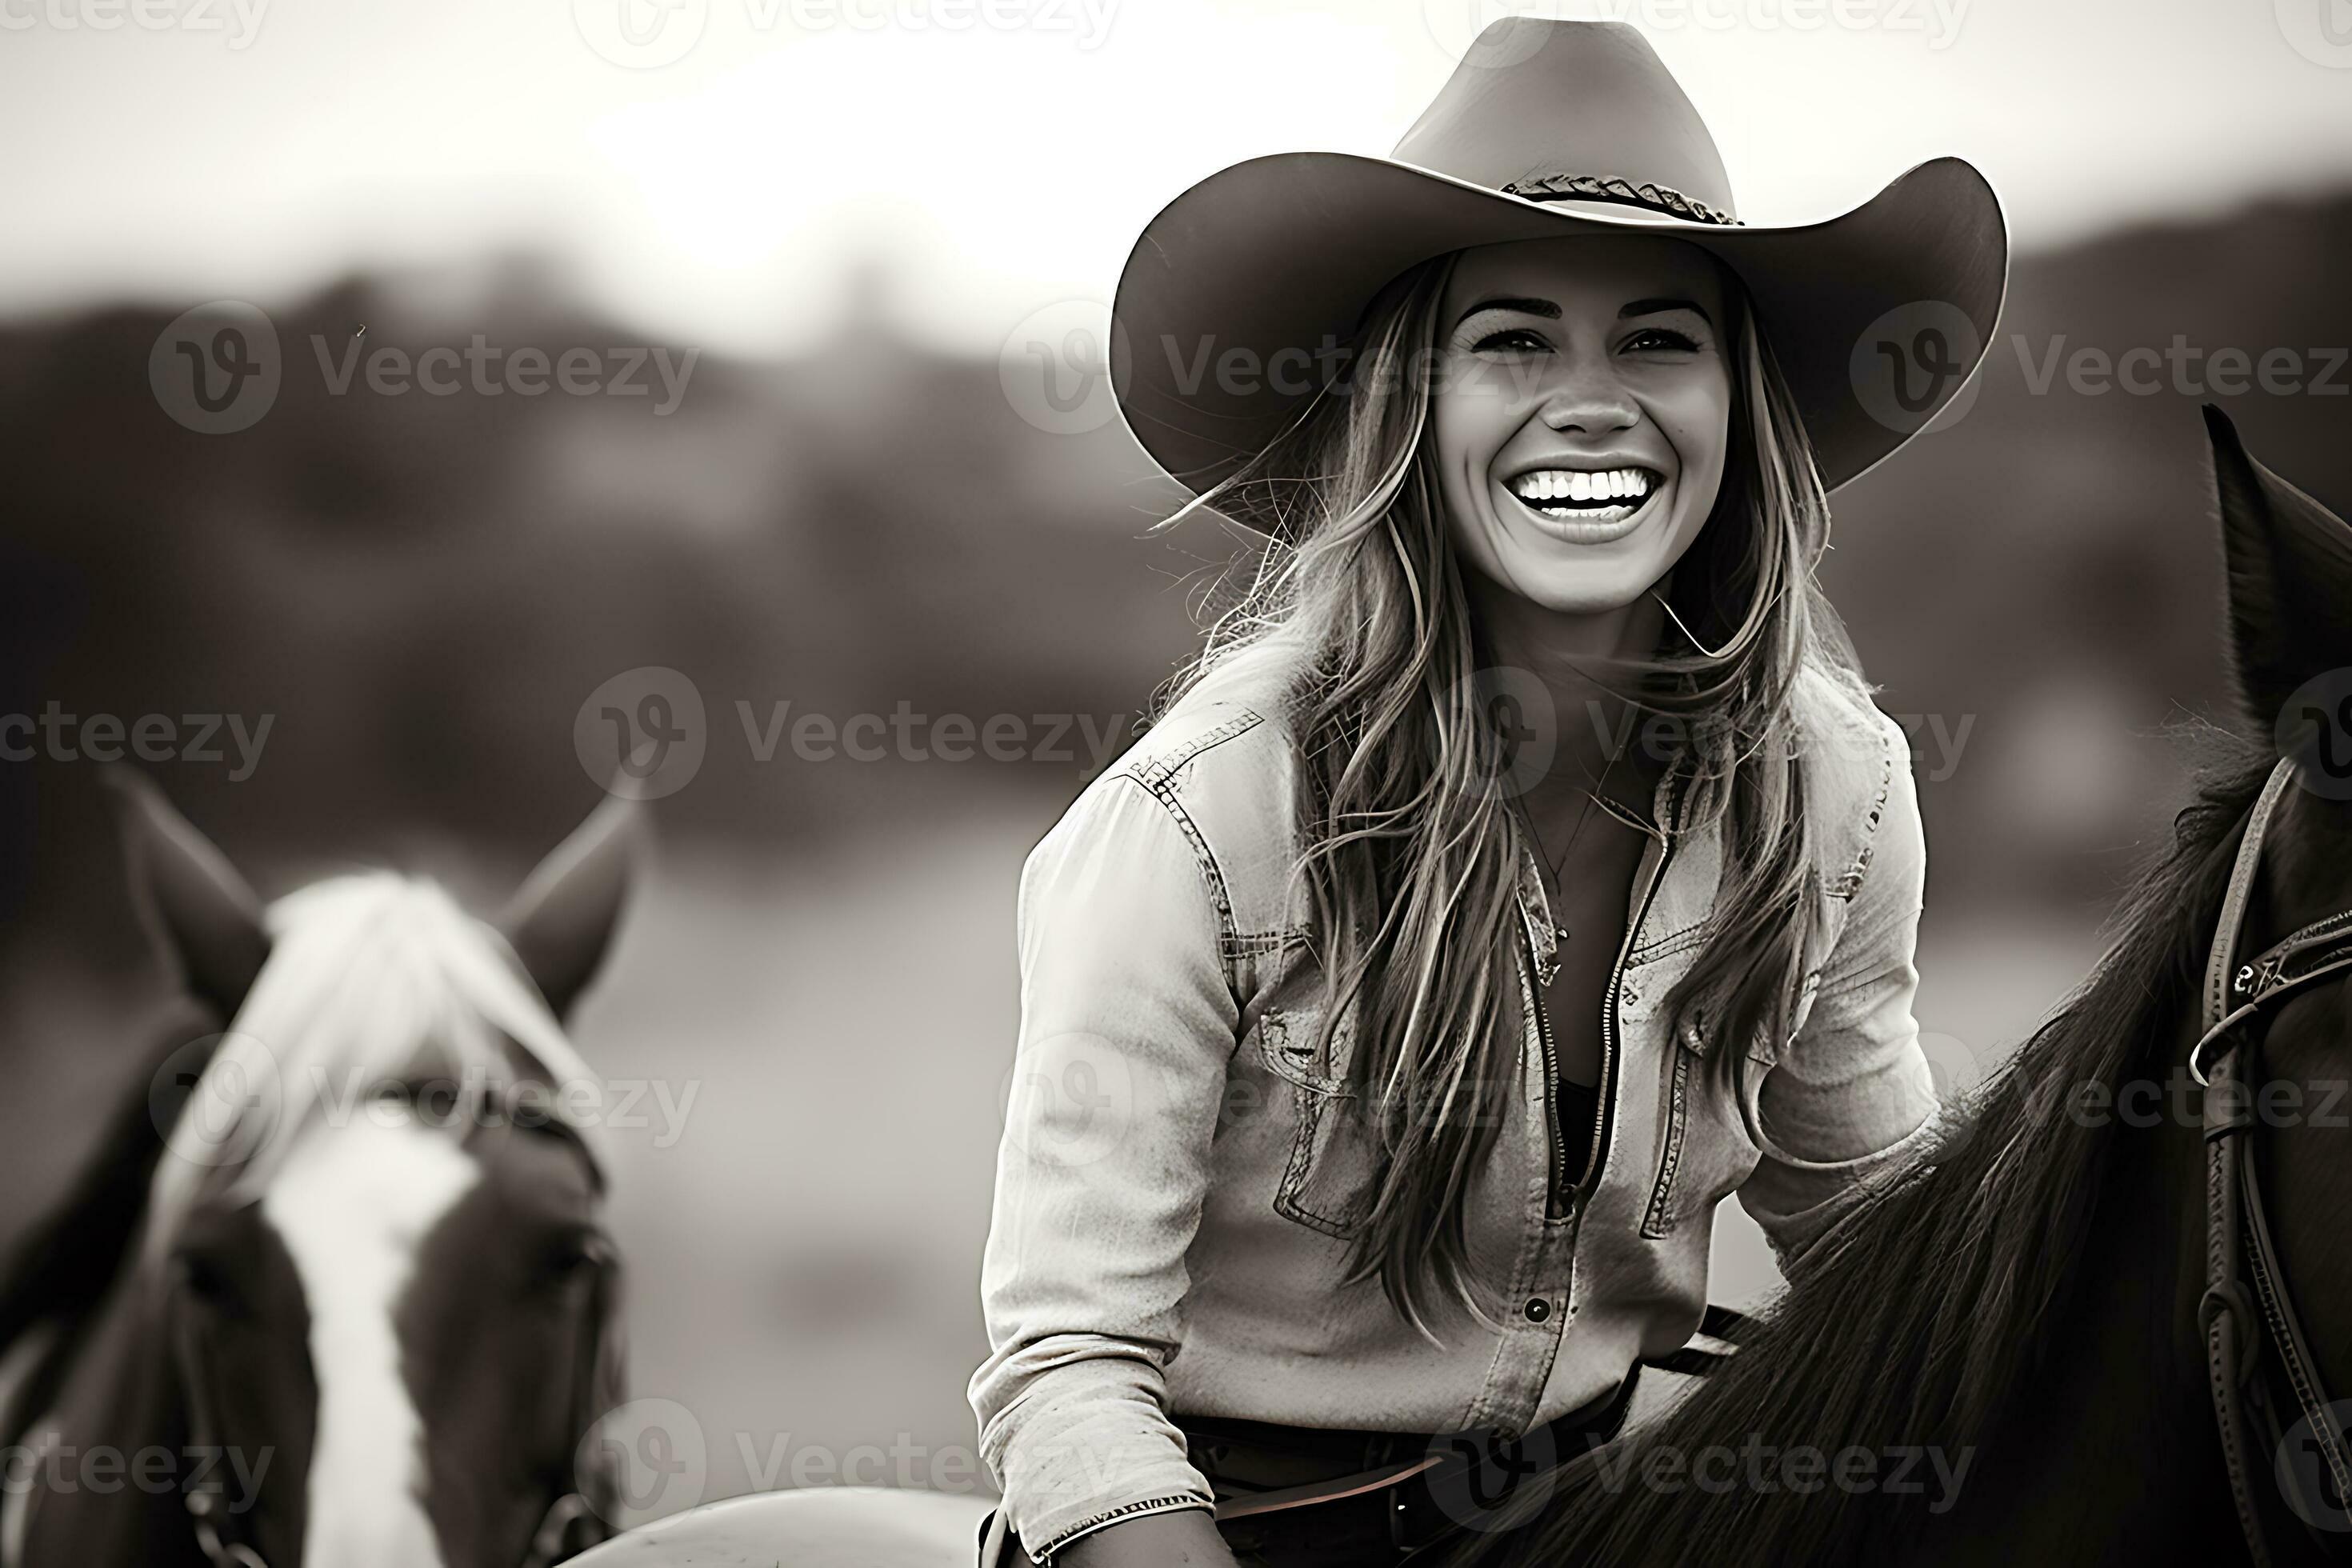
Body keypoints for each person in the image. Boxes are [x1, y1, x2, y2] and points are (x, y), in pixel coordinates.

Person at [970, 18, 2006, 1566]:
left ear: (1739, 406)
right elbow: (1066, 1367)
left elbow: (1891, 1262)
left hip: (1613, 1524)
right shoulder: (1198, 820)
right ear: (1411, 406)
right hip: (1239, 1536)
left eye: (1660, 339)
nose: (1591, 401)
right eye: (1514, 339)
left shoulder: (1831, 795)